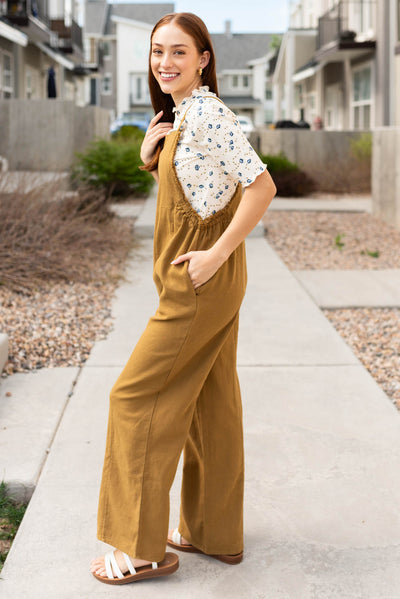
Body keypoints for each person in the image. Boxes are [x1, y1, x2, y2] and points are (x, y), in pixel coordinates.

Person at [90, 12, 276, 586]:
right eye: (156, 53)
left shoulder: (209, 114)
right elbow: (200, 189)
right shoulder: (187, 114)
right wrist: (151, 159)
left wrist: (213, 257)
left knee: (135, 397)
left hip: (197, 279)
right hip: (207, 277)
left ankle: (140, 547)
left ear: (203, 59)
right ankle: (212, 531)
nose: (164, 63)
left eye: (178, 52)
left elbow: (261, 186)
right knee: (211, 402)